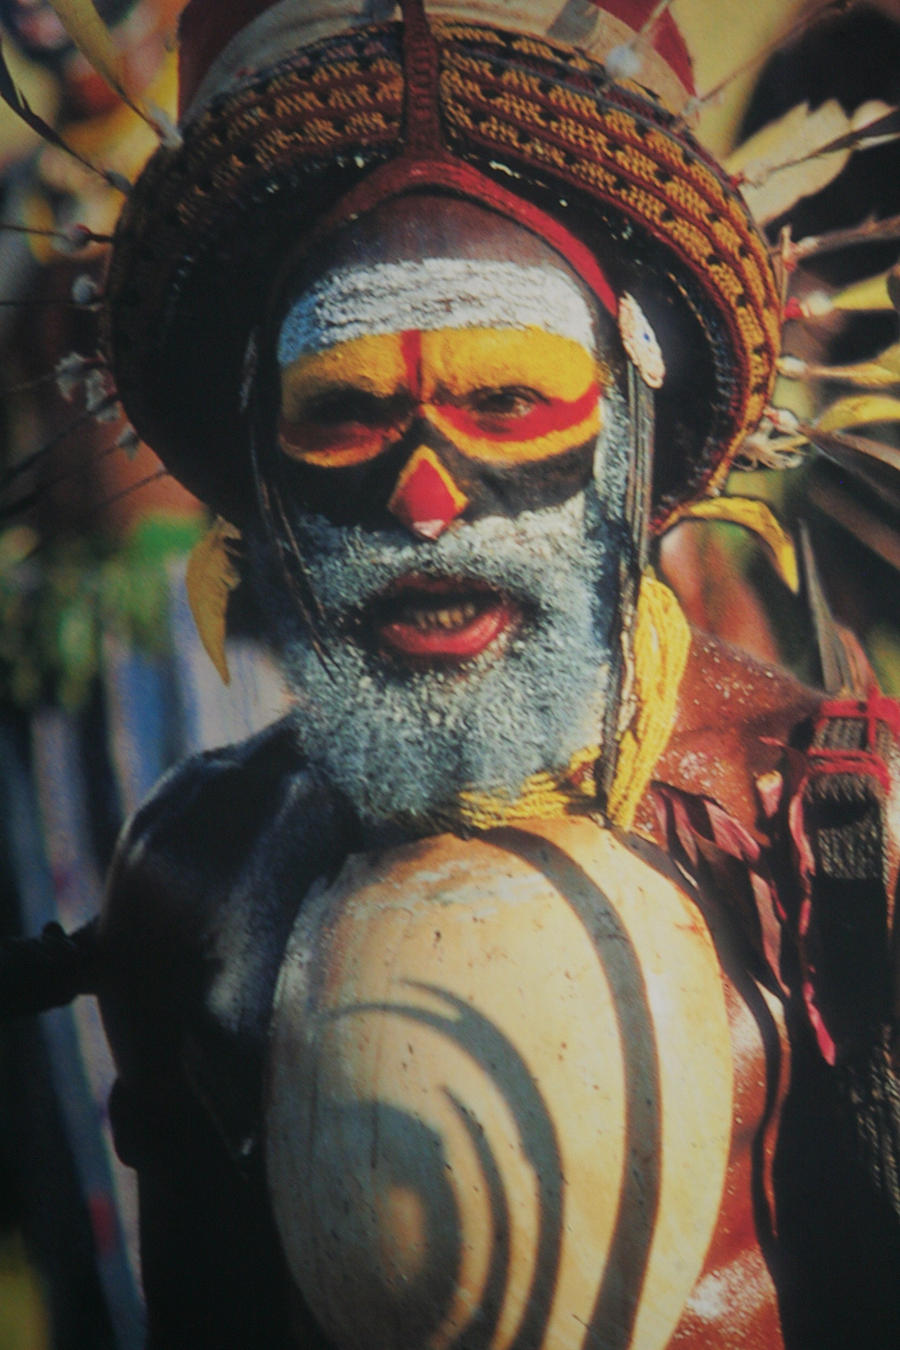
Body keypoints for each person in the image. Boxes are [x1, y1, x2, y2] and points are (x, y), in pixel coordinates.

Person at [6, 1, 900, 1345]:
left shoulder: (839, 834)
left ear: (632, 445)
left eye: (508, 398)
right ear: (263, 467)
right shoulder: (198, 875)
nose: (427, 500)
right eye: (349, 408)